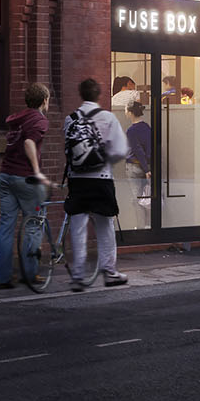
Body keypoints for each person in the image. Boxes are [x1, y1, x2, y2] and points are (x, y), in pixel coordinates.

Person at [61, 78, 133, 290]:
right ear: (99, 95)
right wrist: (104, 159)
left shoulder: (70, 119)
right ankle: (110, 272)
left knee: (78, 226)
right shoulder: (107, 118)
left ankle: (78, 276)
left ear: (80, 94)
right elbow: (121, 150)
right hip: (101, 179)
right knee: (105, 226)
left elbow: (68, 148)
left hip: (76, 180)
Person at [0, 81, 53, 287]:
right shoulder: (39, 120)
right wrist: (36, 171)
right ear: (44, 100)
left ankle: (3, 277)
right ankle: (29, 274)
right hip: (25, 178)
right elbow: (29, 142)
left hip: (6, 176)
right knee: (34, 224)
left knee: (6, 227)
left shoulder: (18, 119)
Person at [121, 100, 154, 221]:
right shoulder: (146, 127)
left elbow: (137, 150)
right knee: (147, 196)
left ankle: (140, 226)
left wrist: (146, 169)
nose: (125, 112)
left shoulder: (131, 130)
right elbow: (149, 148)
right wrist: (148, 167)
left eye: (125, 110)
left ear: (130, 113)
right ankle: (147, 224)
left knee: (137, 198)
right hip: (146, 166)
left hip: (134, 167)